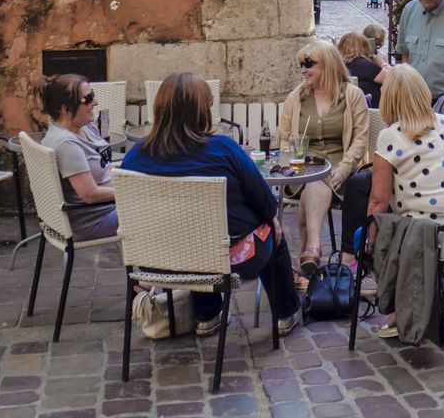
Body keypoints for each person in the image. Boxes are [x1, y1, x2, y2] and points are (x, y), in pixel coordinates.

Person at [122, 74, 300, 337]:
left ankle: (207, 316)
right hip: (226, 259)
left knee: (190, 235)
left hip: (160, 259)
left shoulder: (135, 156)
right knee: (273, 231)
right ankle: (285, 314)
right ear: (202, 111)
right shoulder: (223, 149)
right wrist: (270, 218)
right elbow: (264, 200)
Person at [365, 64, 444, 338]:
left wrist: (370, 243)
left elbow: (378, 202)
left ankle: (395, 308)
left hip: (425, 235)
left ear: (388, 98)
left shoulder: (390, 136)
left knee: (379, 224)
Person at [279, 41, 369, 276]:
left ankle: (307, 253)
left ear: (328, 65)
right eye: (301, 65)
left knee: (317, 182)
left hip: (341, 168)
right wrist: (289, 166)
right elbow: (285, 138)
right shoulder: (296, 97)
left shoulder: (351, 96)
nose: (303, 70)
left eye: (309, 64)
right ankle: (314, 247)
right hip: (302, 170)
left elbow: (361, 139)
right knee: (314, 180)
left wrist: (345, 168)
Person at [38, 74, 117, 241]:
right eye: (88, 98)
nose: (95, 102)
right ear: (65, 108)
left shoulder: (86, 127)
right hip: (94, 221)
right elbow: (90, 195)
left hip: (109, 207)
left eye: (93, 95)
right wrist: (132, 191)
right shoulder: (65, 144)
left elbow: (103, 166)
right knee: (165, 211)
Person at [339, 31, 386, 108]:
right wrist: (381, 62)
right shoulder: (362, 64)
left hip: (348, 106)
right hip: (370, 109)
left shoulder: (340, 64)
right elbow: (391, 78)